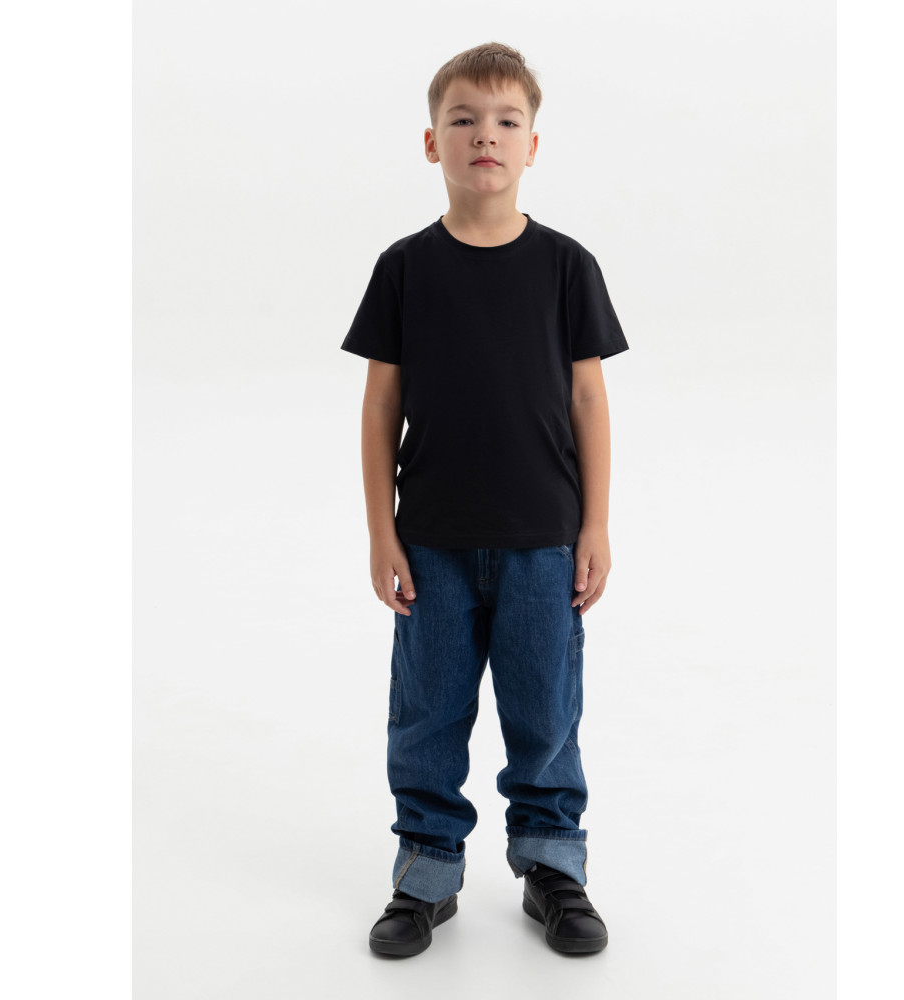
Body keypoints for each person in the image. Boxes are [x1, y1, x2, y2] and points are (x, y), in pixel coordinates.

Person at [340, 41, 629, 958]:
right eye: (462, 119)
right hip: (432, 543)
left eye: (507, 121)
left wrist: (595, 523)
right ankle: (426, 871)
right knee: (427, 713)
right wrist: (381, 530)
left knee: (544, 712)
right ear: (433, 142)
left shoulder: (566, 266)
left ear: (532, 145)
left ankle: (553, 868)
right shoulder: (404, 268)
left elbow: (589, 399)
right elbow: (380, 404)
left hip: (544, 540)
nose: (485, 136)